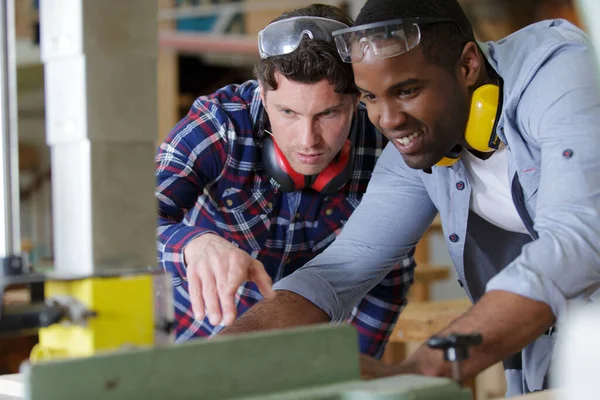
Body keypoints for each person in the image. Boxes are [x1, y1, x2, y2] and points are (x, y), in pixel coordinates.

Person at [221, 0, 600, 395]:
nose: (387, 120)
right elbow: (338, 271)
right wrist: (225, 350)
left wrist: (425, 365)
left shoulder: (558, 73)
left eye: (406, 90)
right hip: (564, 347)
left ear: (467, 65)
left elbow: (576, 241)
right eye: (369, 97)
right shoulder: (421, 142)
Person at [154, 3, 415, 358]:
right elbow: (132, 225)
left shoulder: (385, 143)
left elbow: (388, 278)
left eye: (329, 113)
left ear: (356, 100)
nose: (308, 140)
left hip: (304, 344)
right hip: (190, 338)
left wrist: (353, 369)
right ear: (263, 95)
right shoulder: (219, 124)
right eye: (288, 112)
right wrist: (193, 245)